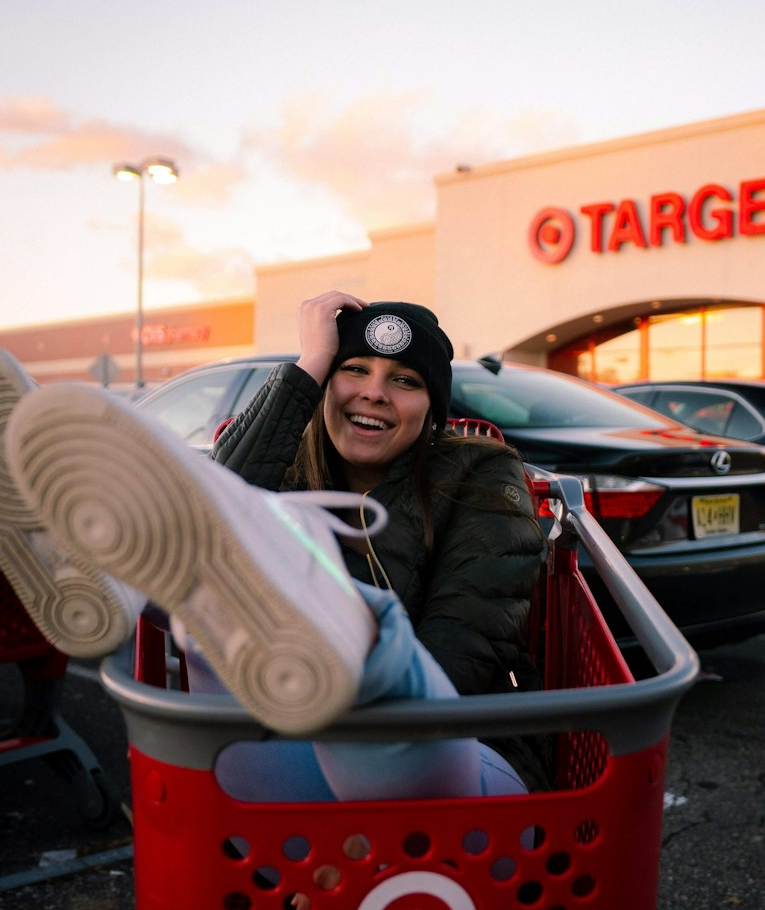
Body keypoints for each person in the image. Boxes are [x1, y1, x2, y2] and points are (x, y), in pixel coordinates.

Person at [0, 301, 547, 800]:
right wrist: (310, 362)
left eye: (404, 380)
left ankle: (325, 617)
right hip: (294, 761)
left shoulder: (480, 472)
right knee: (214, 599)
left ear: (432, 408)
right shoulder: (287, 465)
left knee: (354, 631)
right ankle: (106, 568)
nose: (375, 391)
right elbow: (207, 523)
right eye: (353, 369)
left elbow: (467, 644)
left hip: (456, 758)